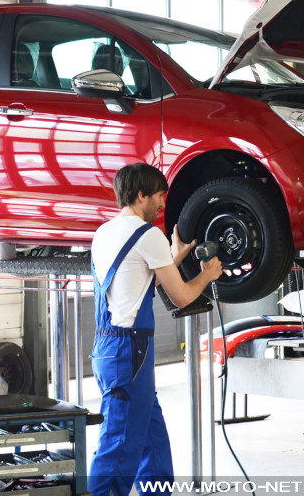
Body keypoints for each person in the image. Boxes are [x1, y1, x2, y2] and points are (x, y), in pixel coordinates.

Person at [88, 163, 223, 495]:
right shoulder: (147, 234)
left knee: (152, 441)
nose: (163, 205)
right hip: (129, 350)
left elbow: (133, 282)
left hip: (108, 347)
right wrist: (207, 275)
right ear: (141, 195)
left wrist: (173, 257)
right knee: (120, 445)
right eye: (160, 196)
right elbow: (180, 296)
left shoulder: (103, 232)